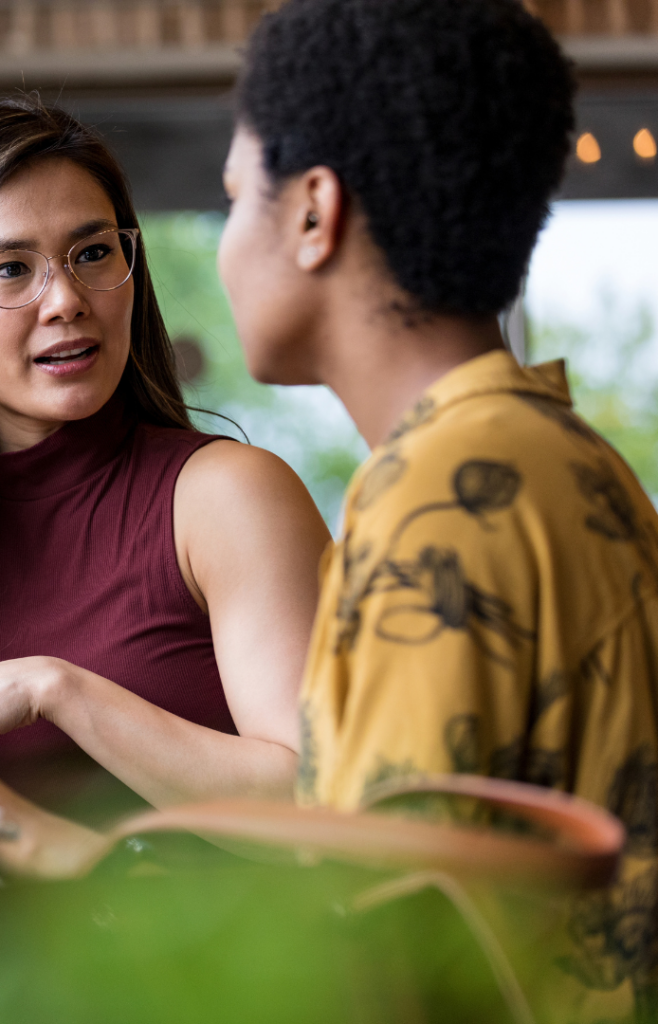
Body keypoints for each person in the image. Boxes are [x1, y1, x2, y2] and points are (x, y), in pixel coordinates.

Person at [219, 0, 657, 1020]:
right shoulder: (567, 461)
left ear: (313, 212)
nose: (228, 240)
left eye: (238, 195)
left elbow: (371, 944)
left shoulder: (435, 504)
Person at [0, 99, 330, 825]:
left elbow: (317, 806)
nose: (65, 299)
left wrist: (58, 689)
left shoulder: (225, 498)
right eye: (10, 269)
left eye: (93, 253)